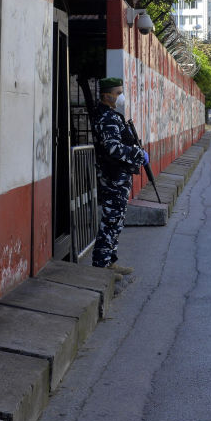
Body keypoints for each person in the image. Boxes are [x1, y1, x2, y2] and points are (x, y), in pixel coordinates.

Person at [91, 77, 147, 274]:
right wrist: (139, 154)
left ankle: (110, 261)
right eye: (118, 93)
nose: (121, 96)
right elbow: (113, 148)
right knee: (111, 221)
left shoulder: (113, 115)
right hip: (113, 176)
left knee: (117, 220)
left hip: (118, 176)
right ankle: (101, 265)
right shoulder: (106, 118)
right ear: (107, 95)